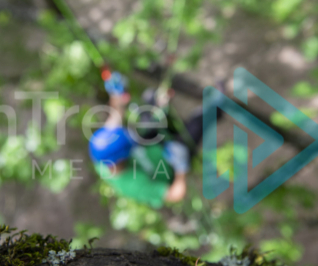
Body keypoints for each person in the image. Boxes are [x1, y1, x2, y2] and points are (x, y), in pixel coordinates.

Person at [89, 70, 224, 208]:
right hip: (172, 160)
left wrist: (116, 94)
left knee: (150, 101)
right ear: (123, 157)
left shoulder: (101, 151)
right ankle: (219, 103)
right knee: (196, 126)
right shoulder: (131, 185)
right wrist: (181, 169)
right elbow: (174, 194)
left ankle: (162, 102)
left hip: (153, 144)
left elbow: (115, 118)